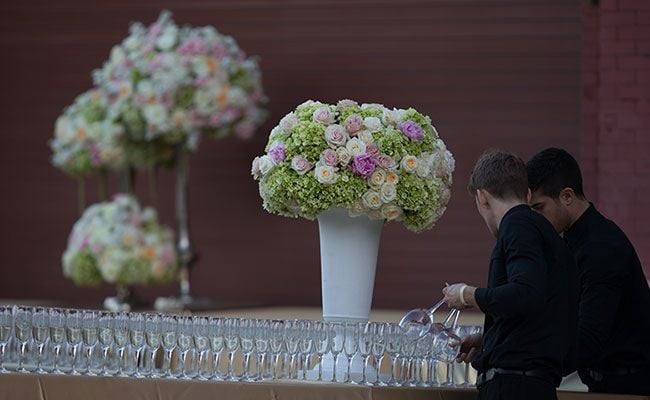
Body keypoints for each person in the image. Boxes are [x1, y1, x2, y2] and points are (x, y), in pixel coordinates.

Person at [442, 149, 578, 400]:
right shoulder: (545, 233)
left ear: (482, 198)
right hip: (534, 383)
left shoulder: (517, 225)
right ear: (527, 194)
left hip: (514, 386)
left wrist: (467, 295)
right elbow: (537, 312)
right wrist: (489, 339)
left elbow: (526, 293)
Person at [526, 147, 650, 395]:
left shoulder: (601, 249)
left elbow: (586, 341)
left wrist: (525, 360)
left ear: (567, 196)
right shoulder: (574, 241)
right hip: (606, 384)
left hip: (628, 389)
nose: (535, 219)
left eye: (539, 208)